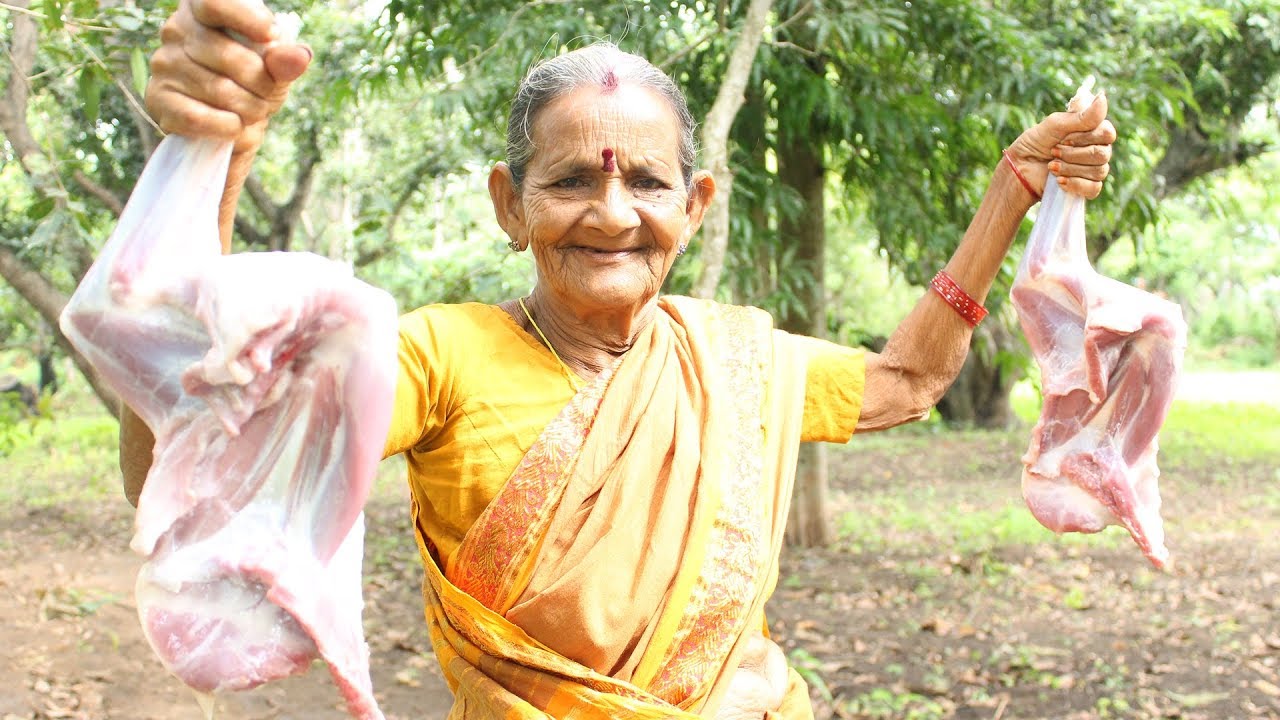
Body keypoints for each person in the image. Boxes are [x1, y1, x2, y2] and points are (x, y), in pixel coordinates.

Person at [123, 1, 1116, 717]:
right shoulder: (437, 354)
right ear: (509, 204)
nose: (610, 214)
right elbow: (207, 467)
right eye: (567, 182)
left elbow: (906, 384)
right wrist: (214, 154)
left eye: (647, 181)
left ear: (695, 205)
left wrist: (1010, 192)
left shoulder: (732, 361)